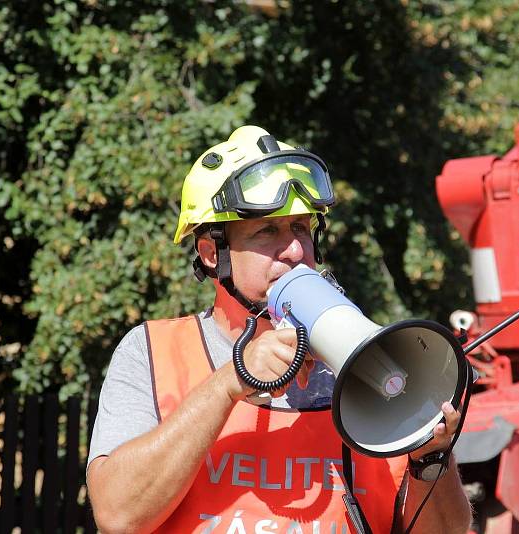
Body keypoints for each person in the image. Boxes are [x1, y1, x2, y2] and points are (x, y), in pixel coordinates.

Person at [86, 126, 472, 533]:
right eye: (267, 231)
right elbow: (118, 515)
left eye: (302, 228)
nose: (294, 251)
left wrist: (431, 459)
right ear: (211, 254)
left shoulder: (374, 362)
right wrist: (229, 383)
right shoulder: (154, 351)